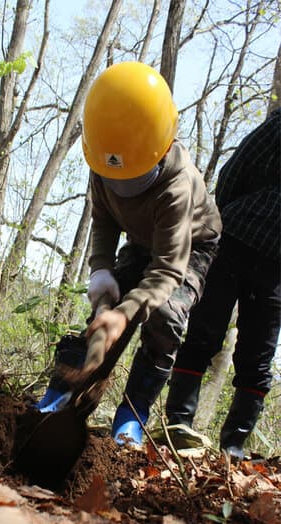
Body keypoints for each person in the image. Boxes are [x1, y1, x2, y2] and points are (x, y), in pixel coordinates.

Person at [35, 61, 222, 446]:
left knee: (165, 318)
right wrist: (101, 271)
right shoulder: (103, 157)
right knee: (104, 317)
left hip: (189, 246)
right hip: (140, 239)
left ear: (163, 147)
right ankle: (67, 396)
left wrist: (125, 314)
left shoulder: (177, 186)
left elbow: (168, 270)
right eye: (113, 179)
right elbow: (103, 218)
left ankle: (131, 416)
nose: (121, 187)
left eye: (133, 179)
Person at [164, 107, 280, 459]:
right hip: (234, 241)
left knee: (258, 358)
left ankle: (234, 448)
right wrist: (222, 224)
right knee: (204, 334)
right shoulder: (278, 127)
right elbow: (234, 172)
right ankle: (178, 426)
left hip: (276, 268)